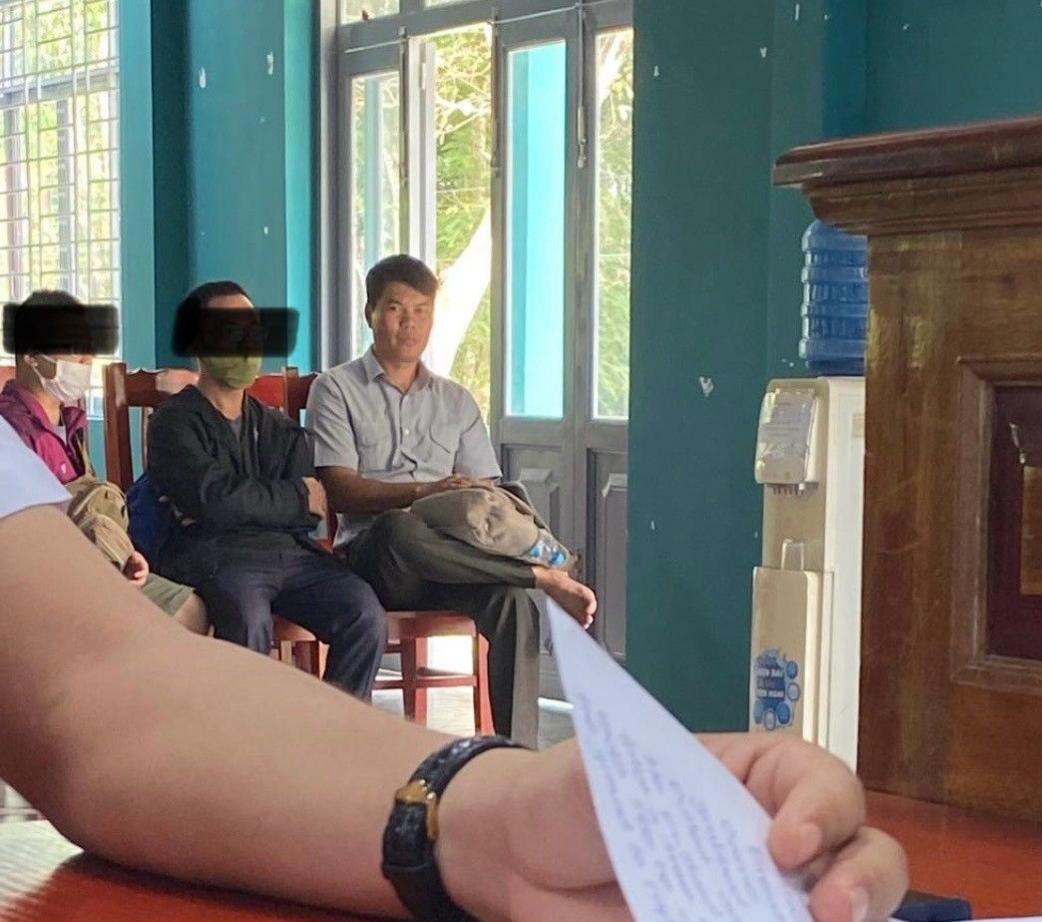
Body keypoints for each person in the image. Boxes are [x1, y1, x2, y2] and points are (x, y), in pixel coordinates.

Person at [0, 420, 909, 922]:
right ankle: (540, 577)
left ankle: (534, 587)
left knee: (438, 593)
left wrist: (490, 814)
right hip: (331, 546)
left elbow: (97, 688)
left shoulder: (438, 404)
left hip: (321, 559)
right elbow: (310, 497)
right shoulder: (232, 417)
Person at [307, 255, 596, 747]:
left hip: (456, 565)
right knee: (401, 528)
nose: (410, 322)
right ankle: (541, 576)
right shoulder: (335, 389)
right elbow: (340, 489)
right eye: (397, 309)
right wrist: (425, 491)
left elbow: (487, 503)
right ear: (370, 313)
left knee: (512, 605)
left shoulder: (456, 400)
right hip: (379, 561)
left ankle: (516, 755)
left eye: (422, 310)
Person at [146, 280, 387, 700]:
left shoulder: (278, 428)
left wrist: (270, 501)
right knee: (246, 615)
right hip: (215, 556)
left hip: (290, 555)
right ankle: (251, 744)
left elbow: (310, 511)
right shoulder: (174, 423)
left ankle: (337, 734)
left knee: (363, 611)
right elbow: (212, 501)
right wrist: (291, 496)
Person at [1, 288, 207, 634]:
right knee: (177, 618)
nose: (86, 358)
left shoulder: (69, 420)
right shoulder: (10, 430)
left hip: (96, 562)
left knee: (191, 608)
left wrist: (124, 553)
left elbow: (90, 510)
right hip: (50, 580)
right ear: (33, 356)